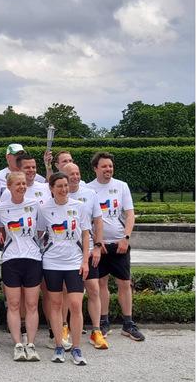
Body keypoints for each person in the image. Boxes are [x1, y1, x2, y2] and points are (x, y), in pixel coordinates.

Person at [86, 152, 142, 341]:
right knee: (101, 283)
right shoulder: (88, 189)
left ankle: (128, 323)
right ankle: (104, 321)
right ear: (95, 168)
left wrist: (126, 238)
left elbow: (130, 214)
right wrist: (96, 243)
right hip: (99, 247)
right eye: (104, 166)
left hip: (119, 243)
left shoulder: (121, 186)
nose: (108, 169)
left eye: (110, 166)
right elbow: (87, 220)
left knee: (124, 283)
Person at [38, 172, 90, 366]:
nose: (63, 189)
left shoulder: (79, 207)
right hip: (52, 262)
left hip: (74, 262)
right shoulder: (44, 209)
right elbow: (40, 234)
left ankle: (76, 348)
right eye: (59, 186)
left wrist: (85, 261)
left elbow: (85, 235)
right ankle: (59, 345)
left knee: (76, 305)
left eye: (65, 185)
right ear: (51, 188)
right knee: (56, 305)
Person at [0, 171, 43, 361]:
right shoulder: (1, 208)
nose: (22, 187)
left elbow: (40, 230)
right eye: (18, 184)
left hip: (32, 259)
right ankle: (17, 344)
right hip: (11, 260)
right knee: (13, 304)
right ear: (9, 187)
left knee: (31, 304)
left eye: (24, 184)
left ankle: (30, 344)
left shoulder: (34, 205)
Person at [62, 161, 106, 349]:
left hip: (88, 250)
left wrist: (97, 247)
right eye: (71, 174)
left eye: (78, 173)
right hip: (68, 253)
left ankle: (96, 331)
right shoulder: (59, 193)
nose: (75, 177)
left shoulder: (90, 193)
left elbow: (98, 221)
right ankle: (65, 327)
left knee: (94, 289)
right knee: (66, 293)